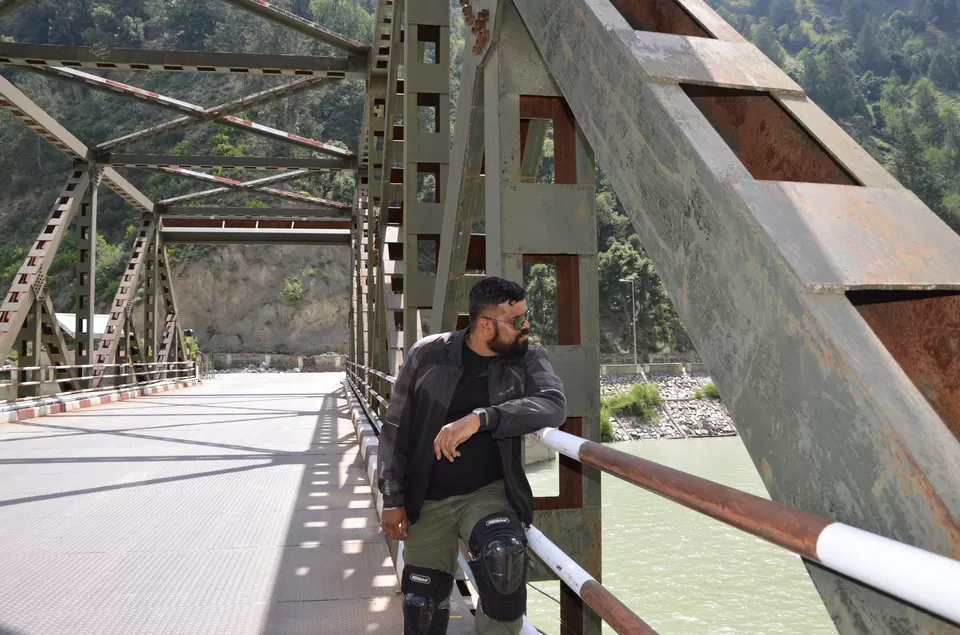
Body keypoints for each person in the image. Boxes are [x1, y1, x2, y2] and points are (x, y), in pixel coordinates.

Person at [378, 276, 567, 634]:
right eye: (516, 321)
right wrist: (392, 498)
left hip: (487, 493)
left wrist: (482, 418)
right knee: (422, 606)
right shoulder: (427, 354)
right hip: (426, 498)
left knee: (504, 556)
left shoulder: (527, 358)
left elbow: (554, 405)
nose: (525, 326)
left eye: (526, 316)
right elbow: (396, 429)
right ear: (484, 324)